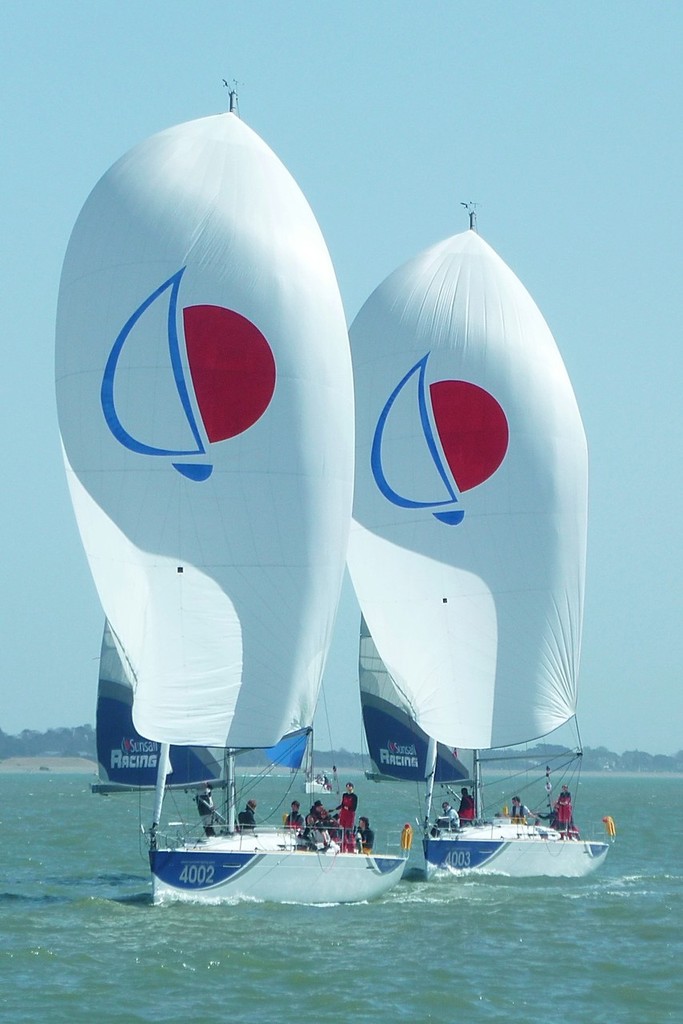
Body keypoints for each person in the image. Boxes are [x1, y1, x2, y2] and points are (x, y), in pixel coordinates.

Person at [336, 782, 358, 852]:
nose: (348, 788)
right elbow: (342, 804)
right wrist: (336, 808)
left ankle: (350, 848)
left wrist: (346, 808)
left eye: (349, 787)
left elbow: (353, 808)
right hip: (343, 815)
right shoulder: (344, 795)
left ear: (352, 787)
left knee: (348, 832)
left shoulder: (354, 797)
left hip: (350, 816)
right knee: (342, 831)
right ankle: (342, 847)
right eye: (347, 787)